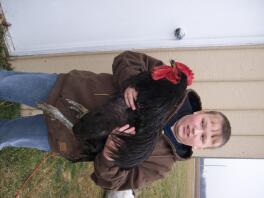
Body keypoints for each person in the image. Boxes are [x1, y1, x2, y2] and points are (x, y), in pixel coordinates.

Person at [0, 51, 231, 194]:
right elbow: (127, 58)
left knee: (7, 135)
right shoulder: (169, 86)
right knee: (6, 84)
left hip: (67, 137)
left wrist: (110, 156)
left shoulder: (161, 166)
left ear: (199, 147)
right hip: (67, 90)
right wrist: (131, 82)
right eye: (204, 123)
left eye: (204, 137)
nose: (197, 130)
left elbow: (112, 182)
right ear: (202, 111)